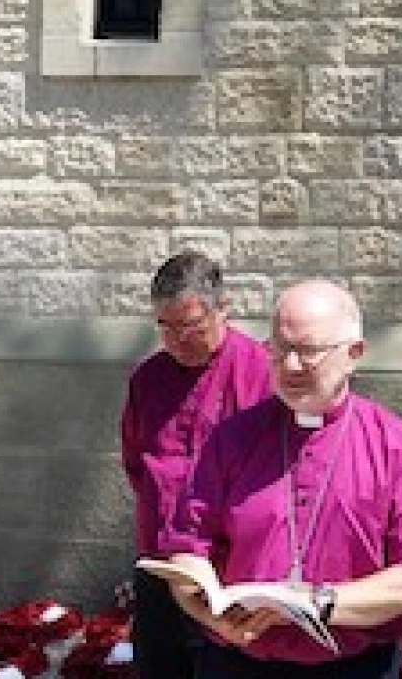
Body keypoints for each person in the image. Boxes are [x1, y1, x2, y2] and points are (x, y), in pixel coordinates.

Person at [161, 279, 402, 678]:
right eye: (280, 349)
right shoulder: (232, 439)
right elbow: (187, 550)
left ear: (353, 354)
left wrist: (317, 601)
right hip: (240, 661)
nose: (290, 366)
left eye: (308, 352)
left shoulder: (395, 445)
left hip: (355, 666)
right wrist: (210, 613)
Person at [121, 250, 273, 679]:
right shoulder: (147, 379)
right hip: (161, 560)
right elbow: (136, 460)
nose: (175, 341)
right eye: (164, 327)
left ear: (223, 309)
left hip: (231, 567)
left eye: (189, 326)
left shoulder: (261, 373)